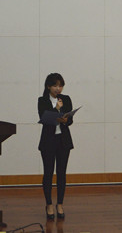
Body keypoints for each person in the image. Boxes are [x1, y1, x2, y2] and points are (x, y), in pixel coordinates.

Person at [38, 73, 74, 221]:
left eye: (60, 86)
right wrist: (56, 108)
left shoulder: (66, 99)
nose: (58, 89)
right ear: (48, 86)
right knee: (48, 173)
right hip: (48, 141)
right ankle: (49, 204)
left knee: (61, 173)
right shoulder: (42, 100)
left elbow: (70, 120)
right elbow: (44, 118)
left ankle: (60, 204)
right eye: (55, 86)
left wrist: (66, 120)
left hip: (63, 140)